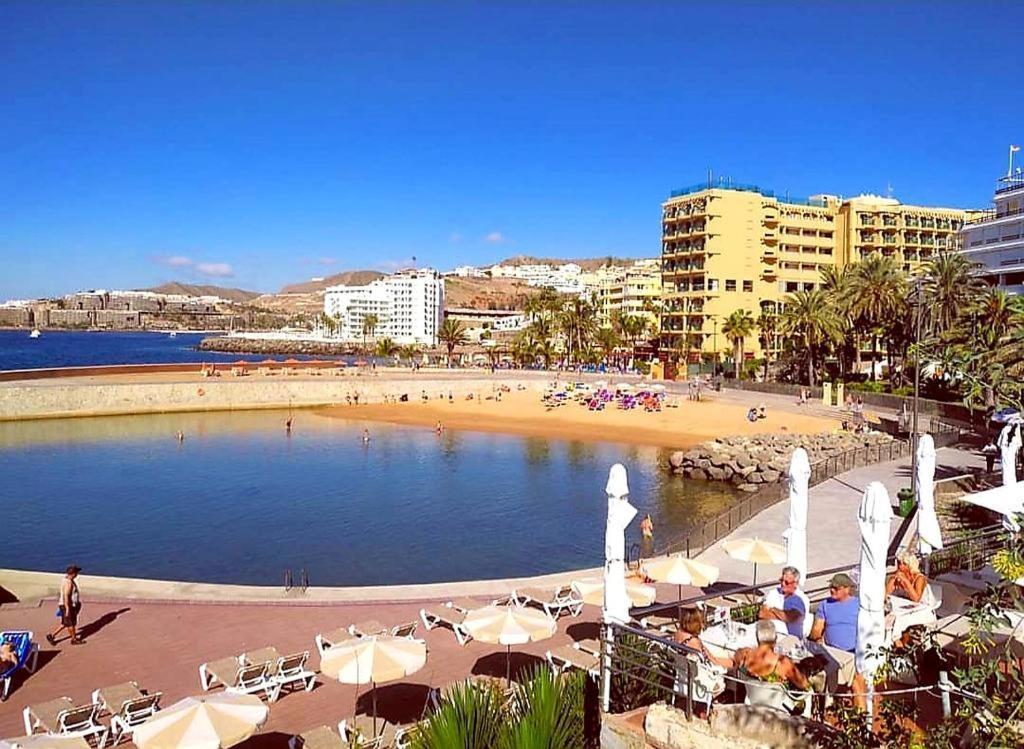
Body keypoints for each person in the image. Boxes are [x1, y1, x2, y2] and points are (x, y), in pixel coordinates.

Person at [733, 620, 808, 691]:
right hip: (775, 703)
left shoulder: (745, 653)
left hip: (751, 698)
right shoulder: (782, 663)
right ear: (775, 639)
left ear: (757, 637)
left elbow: (736, 661)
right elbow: (803, 684)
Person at [810, 573, 859, 653]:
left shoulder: (858, 604)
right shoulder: (824, 604)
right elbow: (817, 629)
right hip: (831, 651)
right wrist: (817, 639)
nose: (832, 590)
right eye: (831, 587)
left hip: (854, 651)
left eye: (836, 588)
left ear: (847, 589)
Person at [759, 566, 810, 638]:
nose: (783, 584)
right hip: (769, 634)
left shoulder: (802, 599)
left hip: (789, 637)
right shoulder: (773, 593)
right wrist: (782, 615)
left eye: (786, 582)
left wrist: (773, 609)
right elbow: (762, 614)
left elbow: (790, 617)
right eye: (781, 580)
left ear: (795, 583)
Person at [47, 565, 83, 646]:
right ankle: (74, 639)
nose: (77, 574)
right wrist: (68, 609)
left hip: (67, 605)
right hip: (68, 606)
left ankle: (52, 635)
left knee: (65, 623)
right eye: (76, 572)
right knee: (71, 624)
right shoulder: (69, 583)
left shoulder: (66, 580)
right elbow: (66, 596)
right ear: (73, 573)